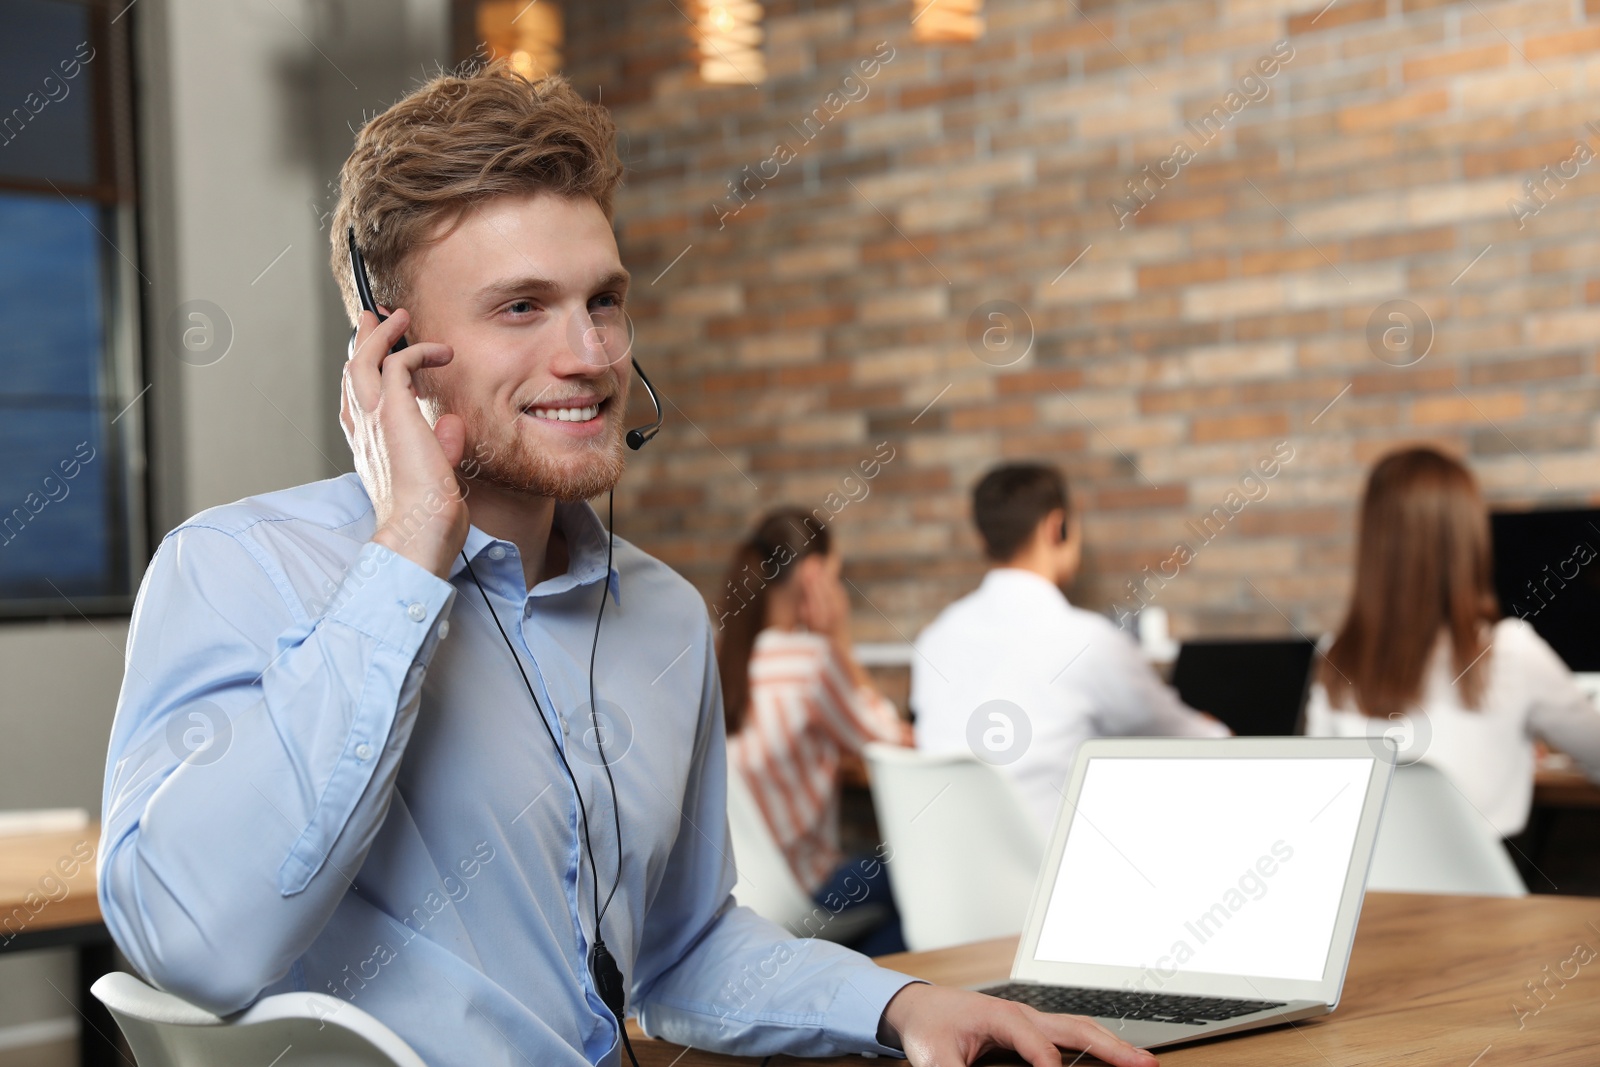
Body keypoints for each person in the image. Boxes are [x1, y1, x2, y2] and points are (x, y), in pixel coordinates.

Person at [97, 64, 1156, 1067]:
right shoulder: (233, 570)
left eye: (602, 300)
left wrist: (898, 1002)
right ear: (388, 348)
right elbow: (194, 944)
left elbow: (680, 952)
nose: (592, 354)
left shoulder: (658, 613)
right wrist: (409, 546)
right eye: (522, 307)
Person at [913, 463, 1228, 836]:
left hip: (944, 884)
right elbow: (1194, 743)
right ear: (1056, 527)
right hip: (1053, 882)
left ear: (983, 539)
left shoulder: (934, 640)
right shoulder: (1090, 642)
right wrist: (1215, 731)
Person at [1306, 446, 1600, 837]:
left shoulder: (1335, 653)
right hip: (1483, 895)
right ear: (1468, 539)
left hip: (1372, 891)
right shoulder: (1510, 649)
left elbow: (1319, 791)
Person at [716, 509, 912, 956]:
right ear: (814, 575)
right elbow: (895, 744)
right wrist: (839, 639)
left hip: (738, 896)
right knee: (919, 878)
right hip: (806, 891)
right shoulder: (811, 660)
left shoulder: (719, 658)